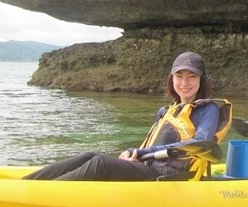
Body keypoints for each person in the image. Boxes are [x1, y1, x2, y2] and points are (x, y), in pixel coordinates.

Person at [23, 52, 232, 181]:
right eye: (179, 76)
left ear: (201, 80)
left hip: (174, 176)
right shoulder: (166, 110)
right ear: (172, 78)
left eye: (191, 77)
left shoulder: (208, 110)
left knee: (101, 163)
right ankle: (26, 184)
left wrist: (140, 153)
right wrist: (136, 154)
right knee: (89, 156)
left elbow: (201, 143)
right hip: (150, 167)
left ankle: (33, 197)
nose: (184, 83)